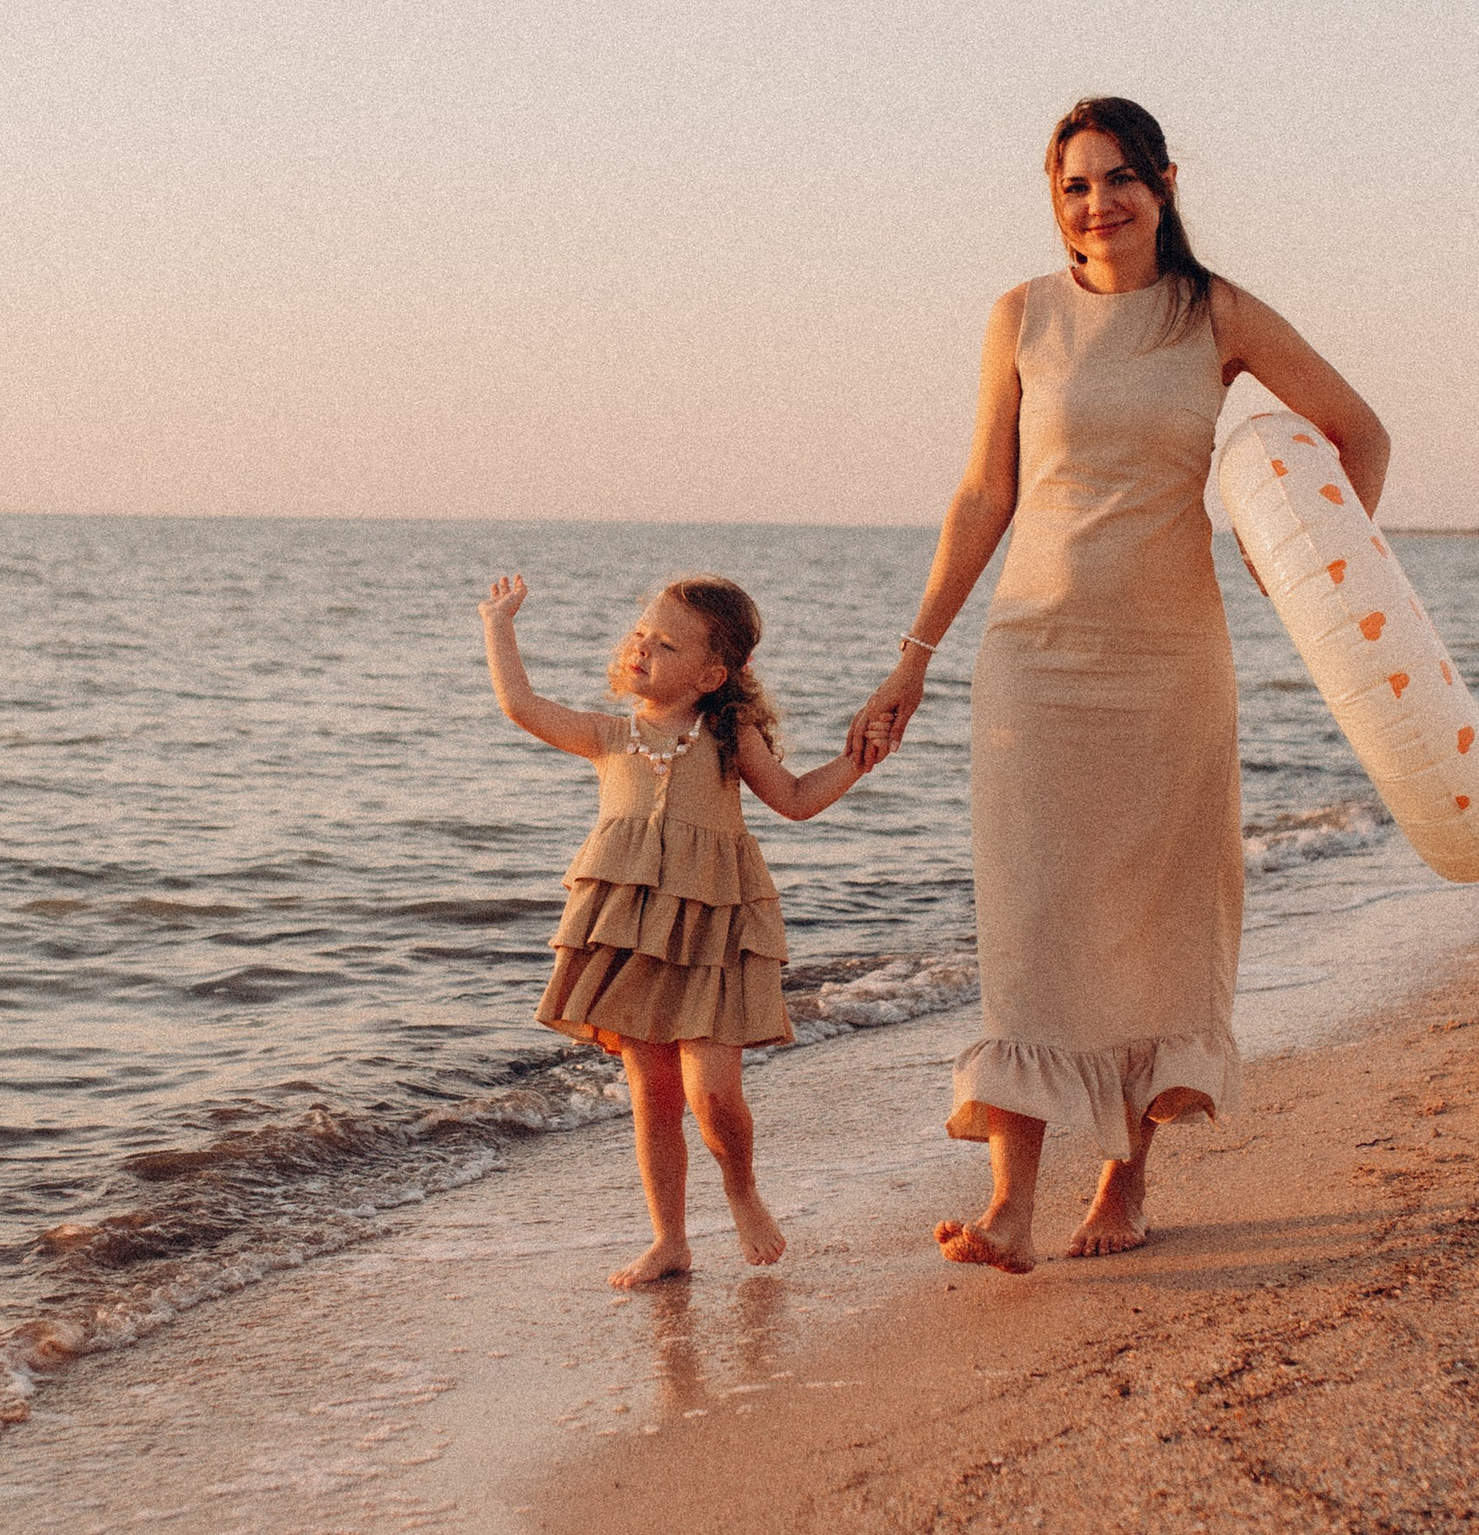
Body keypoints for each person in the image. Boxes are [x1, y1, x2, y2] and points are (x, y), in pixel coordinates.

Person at [848, 96, 1389, 1272]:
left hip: (1167, 661)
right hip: (1032, 657)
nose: (1098, 203)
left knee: (1150, 916)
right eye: (1074, 185)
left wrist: (1307, 568)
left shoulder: (1217, 313)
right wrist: (912, 656)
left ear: (1164, 181)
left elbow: (1358, 431)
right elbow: (982, 495)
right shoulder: (1019, 317)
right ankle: (1006, 1207)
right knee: (1031, 923)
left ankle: (1124, 1182)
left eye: (1119, 177)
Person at [480, 572, 884, 1291]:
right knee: (653, 1092)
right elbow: (519, 704)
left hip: (714, 928)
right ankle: (670, 1239)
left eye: (664, 644)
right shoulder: (610, 736)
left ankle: (741, 1190)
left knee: (714, 1093)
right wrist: (499, 624)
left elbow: (792, 800)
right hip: (631, 928)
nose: (642, 649)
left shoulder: (730, 734)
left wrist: (857, 760)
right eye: (640, 634)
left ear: (711, 674)